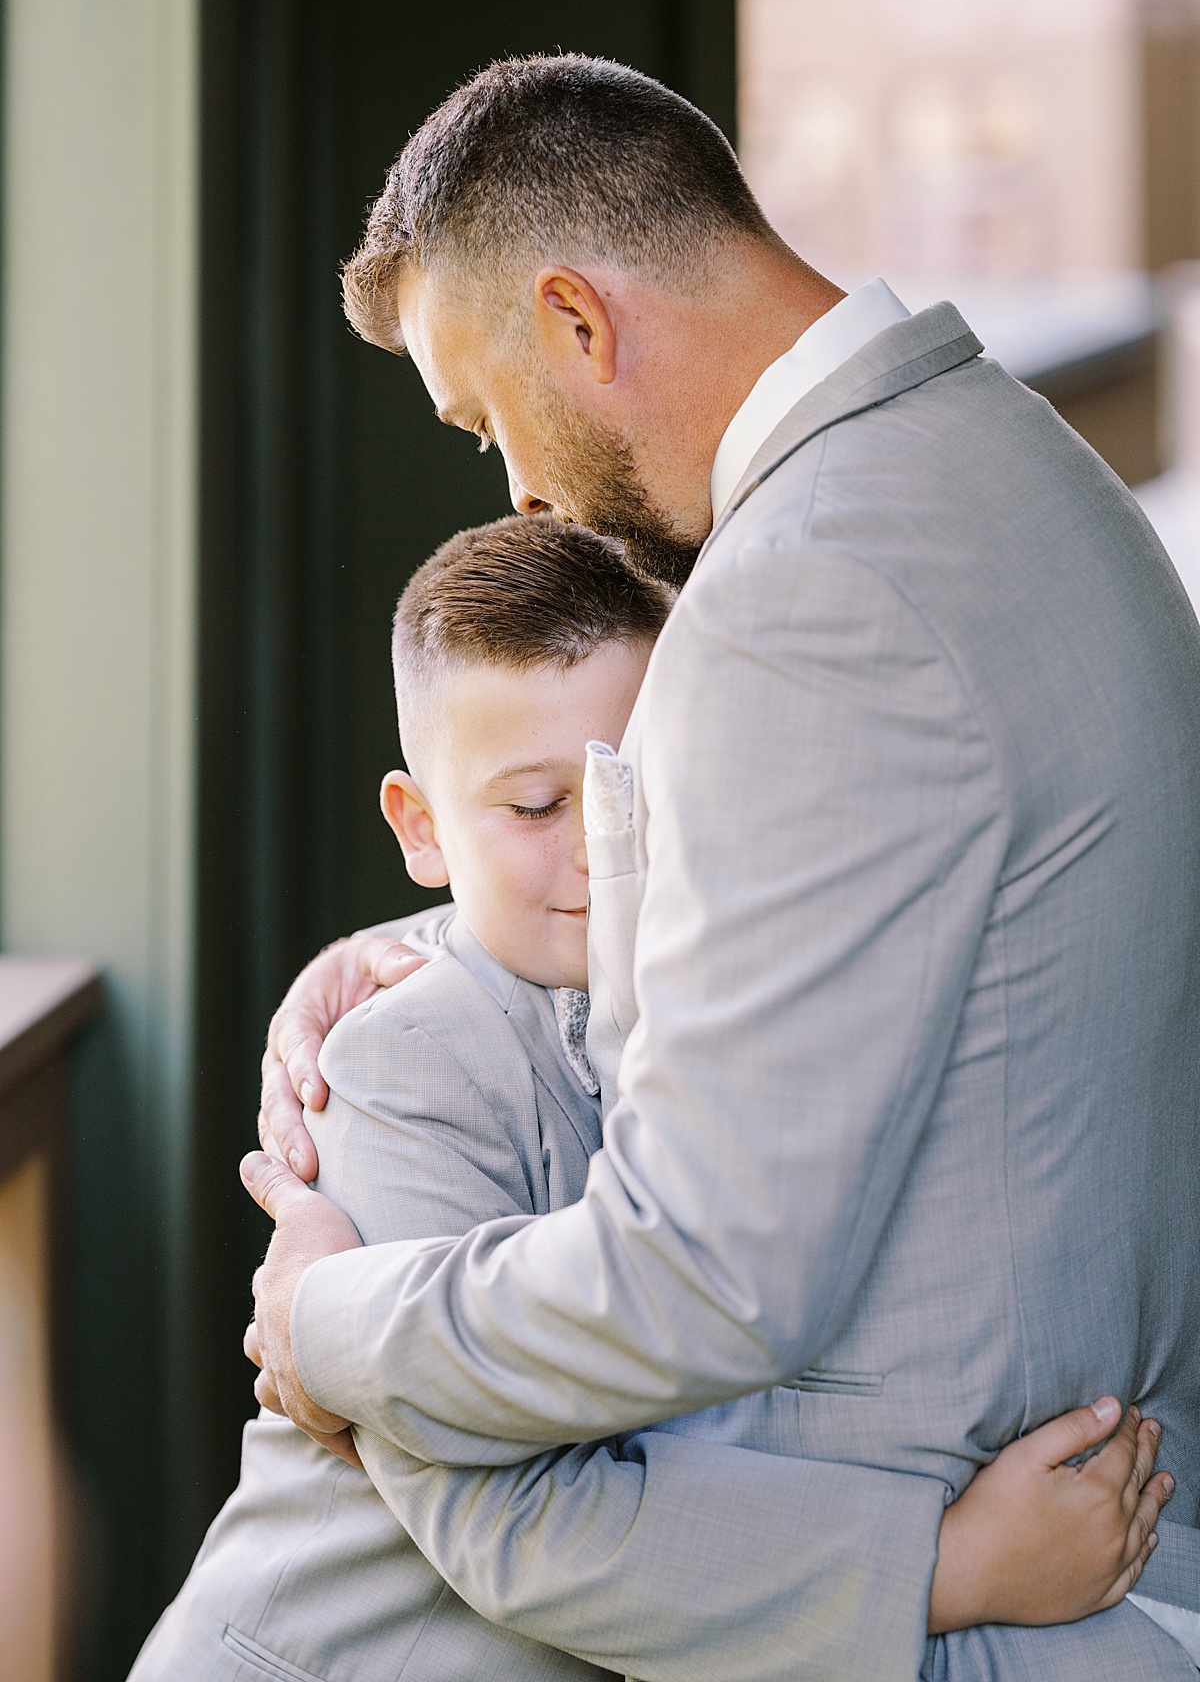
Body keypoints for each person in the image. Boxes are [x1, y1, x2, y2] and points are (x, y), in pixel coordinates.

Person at [250, 57, 1200, 1676]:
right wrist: (424, 952)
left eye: (488, 422)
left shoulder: (805, 592)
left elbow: (702, 1273)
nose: (523, 496)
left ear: (576, 323)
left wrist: (334, 1321)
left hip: (978, 1613)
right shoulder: (1020, 468)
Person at [130, 516, 1167, 1682]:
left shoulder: (724, 988)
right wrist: (948, 1568)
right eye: (534, 808)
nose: (596, 850)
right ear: (419, 826)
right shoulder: (397, 1065)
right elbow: (517, 1514)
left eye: (630, 789)